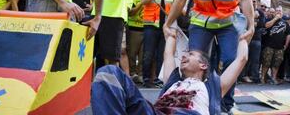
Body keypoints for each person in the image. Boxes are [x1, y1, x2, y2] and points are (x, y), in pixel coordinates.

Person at [91, 30, 249, 114]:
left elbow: (241, 59)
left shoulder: (214, 87)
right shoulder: (173, 82)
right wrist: (170, 32)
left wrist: (244, 37)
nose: (184, 56)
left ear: (203, 65)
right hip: (156, 112)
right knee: (108, 72)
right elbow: (168, 54)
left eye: (191, 54)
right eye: (184, 54)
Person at [141, 0, 177, 88]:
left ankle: (158, 79)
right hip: (151, 26)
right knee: (148, 54)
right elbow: (143, 1)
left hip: (166, 27)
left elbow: (178, 5)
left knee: (162, 54)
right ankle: (146, 78)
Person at [127, 0, 149, 83]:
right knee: (131, 54)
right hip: (133, 28)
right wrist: (141, 3)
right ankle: (132, 74)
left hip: (147, 28)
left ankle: (140, 75)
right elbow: (130, 13)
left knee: (142, 56)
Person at [261, 6, 290, 84]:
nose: (278, 12)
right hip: (269, 46)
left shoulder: (285, 23)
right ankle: (263, 78)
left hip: (280, 47)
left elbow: (288, 34)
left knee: (276, 64)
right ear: (274, 12)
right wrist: (275, 19)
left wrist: (286, 45)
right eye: (277, 11)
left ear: (282, 12)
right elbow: (266, 25)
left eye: (279, 11)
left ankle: (273, 78)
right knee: (266, 63)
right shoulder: (270, 19)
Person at [241, 0, 265, 83]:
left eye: (254, 1)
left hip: (256, 39)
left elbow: (261, 24)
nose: (253, 3)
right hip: (246, 38)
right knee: (244, 59)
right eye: (251, 1)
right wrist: (254, 19)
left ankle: (255, 78)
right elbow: (243, 24)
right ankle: (242, 77)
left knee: (255, 60)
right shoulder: (244, 10)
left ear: (257, 3)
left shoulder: (261, 13)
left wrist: (251, 22)